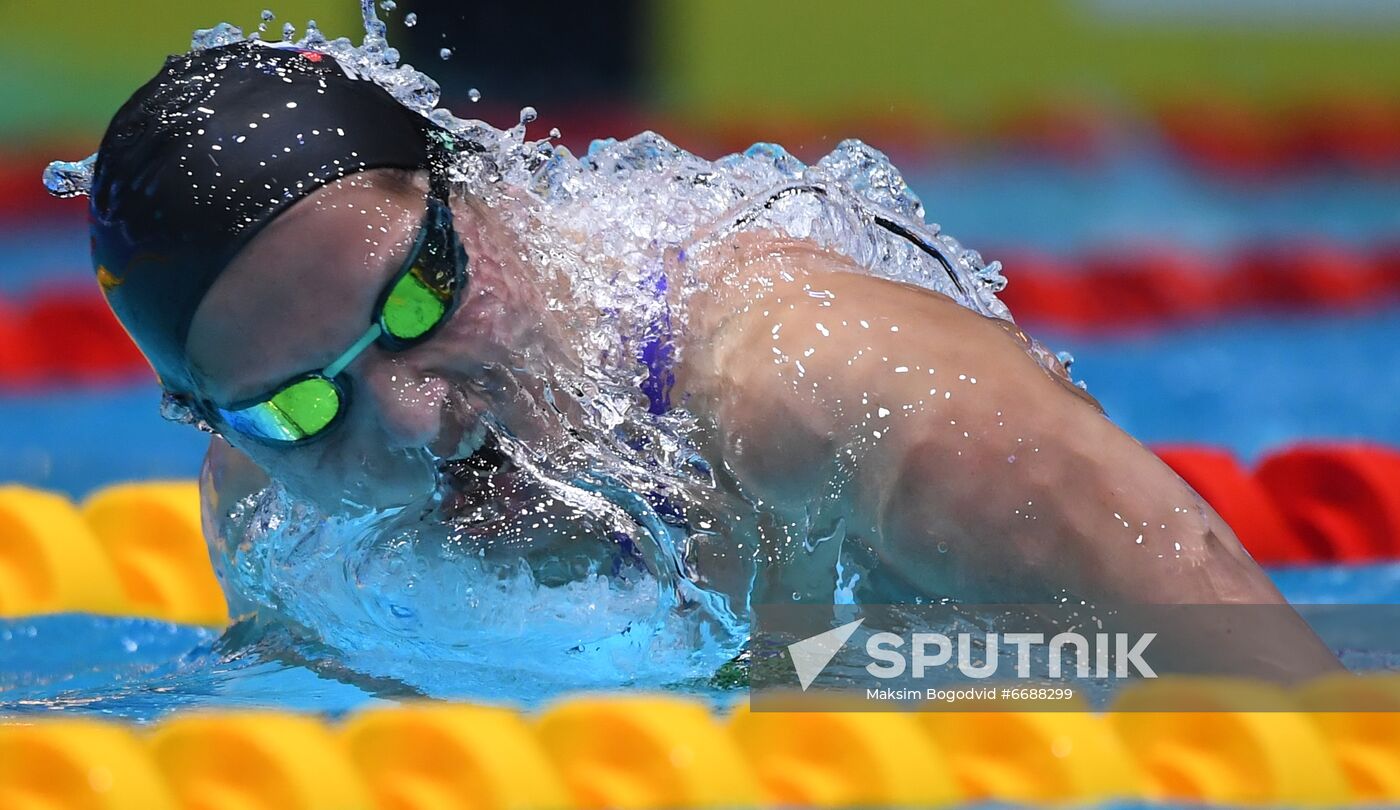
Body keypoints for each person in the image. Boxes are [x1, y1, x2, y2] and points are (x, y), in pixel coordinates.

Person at [82, 40, 1339, 680]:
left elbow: (1286, 710)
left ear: (487, 196)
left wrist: (825, 676)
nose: (409, 423)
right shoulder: (267, 507)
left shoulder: (827, 388)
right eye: (302, 407)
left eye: (417, 300)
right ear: (204, 414)